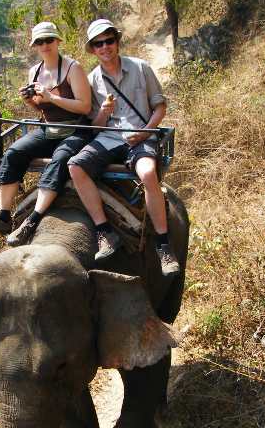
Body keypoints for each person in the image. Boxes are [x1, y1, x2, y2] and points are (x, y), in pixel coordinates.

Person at [67, 19, 180, 276]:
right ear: (93, 49)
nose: (105, 47)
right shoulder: (92, 80)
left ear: (117, 42)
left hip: (142, 135)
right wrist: (103, 113)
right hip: (110, 138)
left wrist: (145, 132)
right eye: (98, 44)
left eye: (109, 41)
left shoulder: (141, 68)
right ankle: (104, 231)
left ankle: (163, 245)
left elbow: (160, 106)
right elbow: (96, 126)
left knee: (148, 173)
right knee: (75, 166)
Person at [0, 21, 91, 246]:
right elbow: (43, 109)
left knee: (60, 160)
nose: (45, 45)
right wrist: (30, 101)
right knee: (13, 153)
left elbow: (85, 107)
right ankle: (3, 216)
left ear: (57, 41)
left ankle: (32, 219)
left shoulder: (72, 68)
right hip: (48, 129)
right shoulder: (34, 71)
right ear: (34, 46)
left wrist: (51, 96)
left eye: (49, 40)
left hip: (76, 130)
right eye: (39, 41)